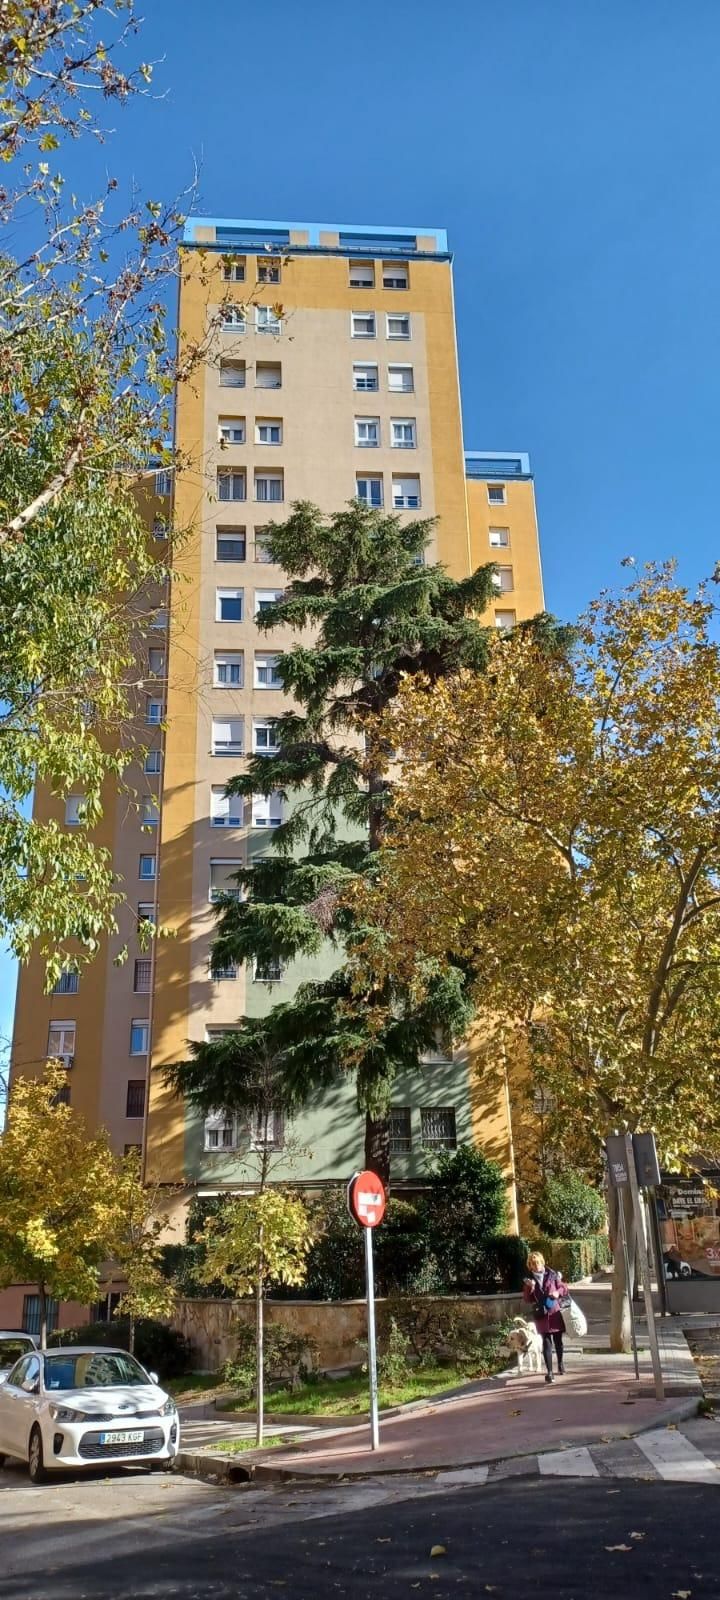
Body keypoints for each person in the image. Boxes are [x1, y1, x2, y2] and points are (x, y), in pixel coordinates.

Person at [523, 1250, 566, 1383]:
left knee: (558, 1341)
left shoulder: (552, 1275)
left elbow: (564, 1288)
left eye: (537, 1263)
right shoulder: (529, 1280)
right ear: (530, 1265)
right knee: (546, 1343)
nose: (536, 1266)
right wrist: (530, 1288)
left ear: (542, 1262)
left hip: (554, 1312)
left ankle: (560, 1363)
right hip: (541, 1314)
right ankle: (549, 1372)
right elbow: (527, 1299)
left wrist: (558, 1293)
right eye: (533, 1264)